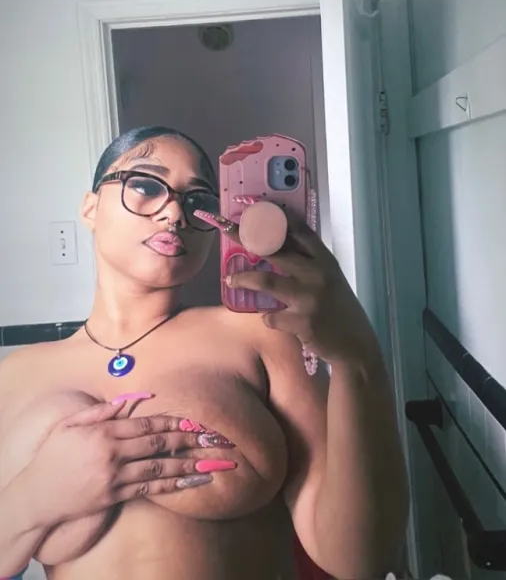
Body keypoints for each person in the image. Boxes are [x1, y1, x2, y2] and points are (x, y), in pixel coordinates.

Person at [0, 126, 409, 580]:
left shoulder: (263, 334)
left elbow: (359, 563)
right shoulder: (15, 376)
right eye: (146, 186)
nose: (175, 212)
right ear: (90, 208)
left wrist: (358, 362)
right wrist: (32, 500)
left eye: (197, 200)